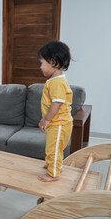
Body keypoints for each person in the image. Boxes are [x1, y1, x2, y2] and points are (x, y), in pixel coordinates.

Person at [37, 41, 73, 182]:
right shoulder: (55, 80)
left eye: (42, 63)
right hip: (59, 123)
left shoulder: (57, 82)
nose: (40, 67)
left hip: (59, 124)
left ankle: (53, 174)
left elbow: (57, 103)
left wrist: (46, 119)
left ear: (52, 62)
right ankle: (55, 165)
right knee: (55, 147)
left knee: (53, 148)